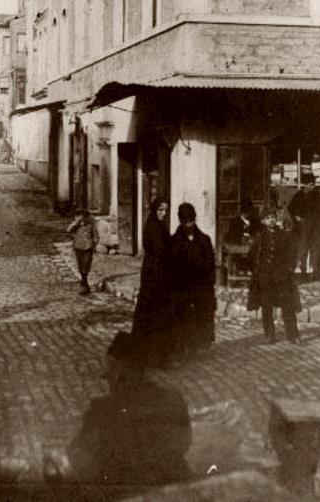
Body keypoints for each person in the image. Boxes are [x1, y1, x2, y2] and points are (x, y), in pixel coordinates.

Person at [67, 331, 190, 499]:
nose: (109, 382)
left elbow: (80, 457)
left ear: (117, 371)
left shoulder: (101, 410)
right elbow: (184, 443)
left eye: (109, 375)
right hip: (173, 491)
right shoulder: (173, 398)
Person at [247, 201, 301, 344]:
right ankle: (269, 334)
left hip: (282, 277)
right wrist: (257, 272)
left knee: (288, 305)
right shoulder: (259, 238)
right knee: (267, 306)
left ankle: (293, 335)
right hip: (265, 278)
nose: (271, 220)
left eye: (273, 217)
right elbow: (251, 256)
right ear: (263, 221)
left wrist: (289, 269)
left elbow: (292, 254)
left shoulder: (284, 236)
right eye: (268, 218)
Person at [170, 202, 216, 361]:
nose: (189, 224)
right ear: (181, 221)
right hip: (182, 288)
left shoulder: (204, 240)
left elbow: (210, 264)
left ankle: (195, 346)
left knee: (199, 317)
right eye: (186, 222)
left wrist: (209, 285)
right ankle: (182, 347)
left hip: (200, 287)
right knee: (182, 319)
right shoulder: (174, 242)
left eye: (191, 221)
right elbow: (171, 267)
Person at [132, 196, 172, 367]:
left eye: (166, 210)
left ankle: (156, 355)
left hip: (159, 273)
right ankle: (150, 355)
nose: (164, 213)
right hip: (153, 275)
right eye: (161, 210)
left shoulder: (160, 226)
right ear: (155, 210)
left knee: (158, 315)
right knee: (152, 314)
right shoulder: (152, 227)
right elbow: (159, 250)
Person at [289, 174, 320, 280]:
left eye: (313, 184)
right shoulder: (298, 196)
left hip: (315, 226)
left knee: (316, 248)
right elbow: (291, 208)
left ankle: (314, 271)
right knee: (302, 248)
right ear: (304, 185)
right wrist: (296, 217)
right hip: (303, 226)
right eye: (310, 184)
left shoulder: (318, 196)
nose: (312, 187)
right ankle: (303, 272)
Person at [67, 208, 99, 294]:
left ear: (86, 217)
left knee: (86, 265)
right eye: (78, 217)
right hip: (78, 247)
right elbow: (68, 230)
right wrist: (76, 223)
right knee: (80, 266)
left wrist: (93, 244)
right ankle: (84, 283)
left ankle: (84, 283)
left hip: (88, 248)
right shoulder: (76, 225)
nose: (81, 219)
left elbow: (96, 236)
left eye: (82, 217)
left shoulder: (91, 224)